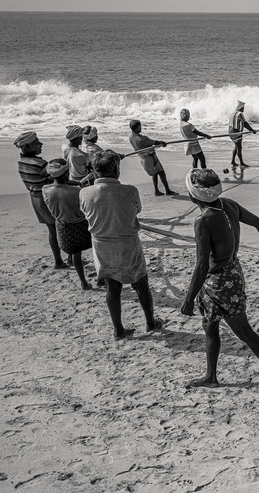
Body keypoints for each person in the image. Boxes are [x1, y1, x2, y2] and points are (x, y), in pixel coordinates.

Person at [181, 168, 259, 388]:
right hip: (232, 271)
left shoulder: (203, 220)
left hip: (219, 282)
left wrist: (188, 298)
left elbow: (203, 264)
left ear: (192, 195)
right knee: (210, 325)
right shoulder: (227, 204)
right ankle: (210, 377)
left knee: (243, 330)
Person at [79, 149, 162, 339]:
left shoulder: (84, 193)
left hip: (102, 246)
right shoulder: (129, 190)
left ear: (94, 171)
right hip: (128, 244)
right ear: (116, 169)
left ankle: (118, 330)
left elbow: (85, 212)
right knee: (141, 285)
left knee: (112, 288)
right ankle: (150, 322)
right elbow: (136, 210)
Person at [14, 131, 67, 270]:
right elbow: (56, 178)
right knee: (63, 227)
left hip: (34, 197)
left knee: (51, 229)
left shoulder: (21, 161)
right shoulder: (40, 164)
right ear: (28, 147)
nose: (40, 144)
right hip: (46, 198)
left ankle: (58, 260)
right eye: (37, 143)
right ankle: (70, 258)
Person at [42, 158, 93, 289]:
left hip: (62, 225)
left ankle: (83, 281)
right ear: (66, 174)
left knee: (75, 253)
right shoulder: (76, 192)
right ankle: (90, 280)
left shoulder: (46, 189)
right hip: (79, 224)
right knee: (89, 250)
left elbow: (61, 184)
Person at [127, 119, 176, 196]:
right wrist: (162, 143)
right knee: (161, 172)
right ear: (136, 128)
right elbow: (154, 142)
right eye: (140, 126)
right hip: (151, 158)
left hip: (143, 159)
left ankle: (156, 190)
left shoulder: (131, 137)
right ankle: (167, 190)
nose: (141, 128)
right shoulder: (142, 139)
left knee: (154, 173)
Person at [228, 101, 257, 168]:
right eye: (243, 107)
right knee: (239, 147)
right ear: (241, 107)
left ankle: (233, 161)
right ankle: (241, 163)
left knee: (236, 146)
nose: (244, 109)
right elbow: (245, 124)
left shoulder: (233, 113)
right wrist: (252, 130)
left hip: (230, 132)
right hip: (236, 132)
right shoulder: (240, 114)